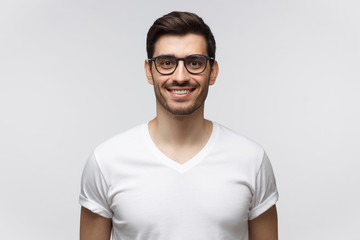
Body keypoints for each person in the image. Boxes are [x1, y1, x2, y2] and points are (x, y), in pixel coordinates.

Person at [79, 11, 279, 240]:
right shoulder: (106, 162)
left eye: (195, 62)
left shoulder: (251, 159)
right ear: (149, 71)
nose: (181, 76)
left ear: (212, 71)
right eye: (167, 63)